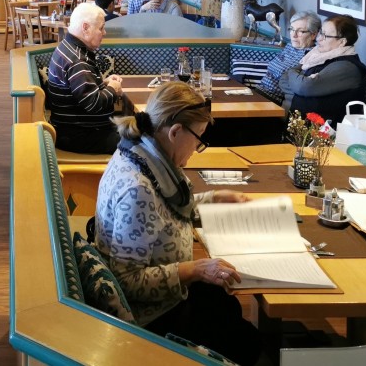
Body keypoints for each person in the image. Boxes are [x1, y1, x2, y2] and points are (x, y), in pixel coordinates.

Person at [95, 82, 263, 366]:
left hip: (173, 295)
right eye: (199, 140)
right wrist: (196, 270)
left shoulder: (143, 153)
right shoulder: (138, 188)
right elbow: (128, 282)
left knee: (228, 307)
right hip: (153, 317)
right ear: (175, 132)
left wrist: (213, 198)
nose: (197, 149)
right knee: (247, 343)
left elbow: (164, 211)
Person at [46, 2, 123, 154]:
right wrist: (113, 89)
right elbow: (93, 104)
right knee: (141, 144)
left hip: (71, 129)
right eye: (101, 28)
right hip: (78, 136)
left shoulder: (67, 47)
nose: (104, 32)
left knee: (133, 129)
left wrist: (104, 84)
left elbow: (81, 91)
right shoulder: (78, 60)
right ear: (85, 28)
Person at [278, 14, 366, 126]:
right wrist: (299, 86)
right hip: (294, 122)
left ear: (342, 42)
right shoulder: (316, 55)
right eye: (321, 32)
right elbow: (283, 80)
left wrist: (294, 76)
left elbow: (304, 87)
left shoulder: (347, 67)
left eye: (325, 36)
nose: (318, 38)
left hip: (320, 134)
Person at [255, 11, 322, 103]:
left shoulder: (311, 56)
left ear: (313, 35)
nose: (294, 35)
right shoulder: (290, 46)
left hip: (274, 100)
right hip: (259, 92)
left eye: (300, 31)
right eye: (292, 29)